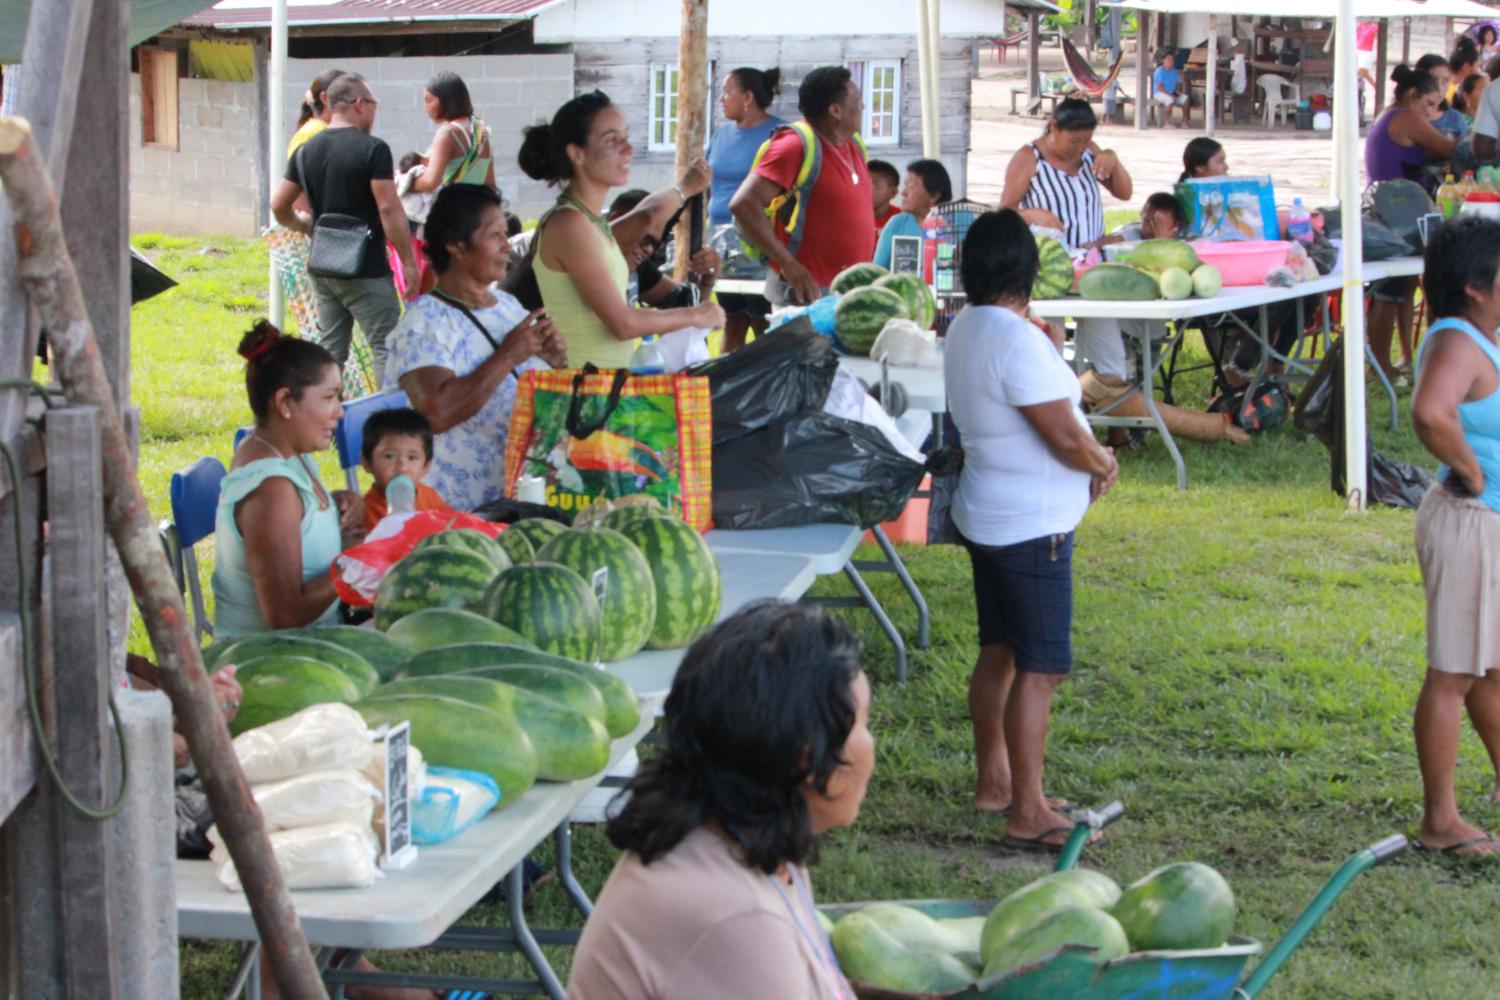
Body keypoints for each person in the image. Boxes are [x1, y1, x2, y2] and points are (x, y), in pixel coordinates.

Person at [567, 602, 873, 999]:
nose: (871, 743)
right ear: (805, 755)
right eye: (865, 724)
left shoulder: (751, 843)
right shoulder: (739, 921)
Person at [943, 210, 1117, 850]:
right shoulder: (1016, 338)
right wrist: (1103, 462)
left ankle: (998, 782)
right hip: (1030, 527)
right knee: (1042, 669)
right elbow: (1064, 433)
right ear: (1027, 270)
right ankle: (1029, 810)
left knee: (1002, 652)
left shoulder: (966, 327)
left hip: (989, 515)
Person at [385, 184, 567, 512]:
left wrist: (554, 362)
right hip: (462, 513)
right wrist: (508, 355)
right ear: (456, 245)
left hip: (521, 497)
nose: (506, 247)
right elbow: (437, 412)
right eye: (494, 235)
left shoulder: (508, 306)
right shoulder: (424, 325)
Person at [1409, 215, 1500, 857]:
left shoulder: (1477, 335)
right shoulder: (1457, 342)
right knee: (1454, 675)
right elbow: (1429, 413)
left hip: (1485, 522)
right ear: (1476, 286)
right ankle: (1441, 821)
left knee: (1490, 670)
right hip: (1469, 521)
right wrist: (1470, 470)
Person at [518, 90, 725, 369]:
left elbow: (645, 213)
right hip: (583, 395)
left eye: (626, 137)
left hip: (604, 390)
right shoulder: (569, 224)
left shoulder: (591, 222)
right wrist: (694, 316)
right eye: (612, 140)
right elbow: (622, 323)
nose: (628, 148)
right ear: (577, 154)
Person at [212, 322, 363, 638]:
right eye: (329, 398)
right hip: (270, 663)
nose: (340, 412)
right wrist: (357, 560)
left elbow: (297, 521)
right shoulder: (271, 489)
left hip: (316, 641)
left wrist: (330, 508)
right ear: (284, 403)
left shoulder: (288, 453)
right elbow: (285, 615)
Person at [270, 73, 417, 372]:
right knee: (386, 347)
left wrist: (302, 224)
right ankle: (386, 417)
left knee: (329, 353)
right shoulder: (373, 149)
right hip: (366, 269)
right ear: (359, 104)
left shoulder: (305, 150)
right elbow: (388, 208)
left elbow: (278, 204)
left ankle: (323, 416)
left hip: (324, 267)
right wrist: (408, 261)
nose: (375, 111)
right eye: (374, 104)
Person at [1000, 98, 1133, 387]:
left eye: (1086, 140)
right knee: (1051, 352)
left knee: (1108, 352)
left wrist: (1111, 157)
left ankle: (1115, 425)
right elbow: (1004, 212)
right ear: (1055, 128)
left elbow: (1124, 193)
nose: (1079, 147)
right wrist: (1030, 213)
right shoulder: (1029, 157)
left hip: (1092, 268)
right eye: (1074, 140)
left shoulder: (1089, 153)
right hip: (1050, 272)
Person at [732, 65, 874, 306]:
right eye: (857, 99)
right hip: (803, 297)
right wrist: (789, 265)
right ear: (836, 110)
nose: (862, 106)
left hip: (846, 297)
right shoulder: (794, 146)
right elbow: (744, 203)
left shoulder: (855, 145)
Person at [1367, 66, 1455, 383]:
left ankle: (1401, 358)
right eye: (1429, 103)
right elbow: (1447, 149)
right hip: (1397, 215)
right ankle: (1378, 366)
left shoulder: (1389, 115)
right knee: (1389, 294)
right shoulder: (1406, 116)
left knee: (1402, 290)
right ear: (1412, 95)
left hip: (1392, 211)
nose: (1432, 112)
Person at [706, 66, 783, 354]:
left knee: (762, 321)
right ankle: (726, 388)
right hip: (720, 244)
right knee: (732, 321)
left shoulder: (778, 135)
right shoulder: (720, 136)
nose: (722, 100)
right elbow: (709, 184)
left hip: (758, 244)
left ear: (748, 97)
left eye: (727, 93)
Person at [606, 189, 720, 309]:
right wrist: (689, 185)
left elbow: (686, 304)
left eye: (655, 244)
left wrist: (709, 278)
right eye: (645, 239)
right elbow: (623, 323)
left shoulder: (638, 266)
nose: (649, 249)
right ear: (615, 220)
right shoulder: (591, 256)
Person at [359, 407, 454, 532]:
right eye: (389, 457)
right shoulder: (366, 512)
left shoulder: (430, 497)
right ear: (367, 463)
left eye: (412, 458)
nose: (402, 468)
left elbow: (453, 526)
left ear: (426, 466)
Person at [407, 71, 495, 193]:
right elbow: (490, 183)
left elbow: (430, 182)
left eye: (428, 100)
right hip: (476, 208)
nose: (425, 108)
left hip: (451, 209)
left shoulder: (447, 133)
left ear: (445, 100)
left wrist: (403, 181)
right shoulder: (482, 131)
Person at [872, 158, 953, 270]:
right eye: (905, 186)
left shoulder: (960, 222)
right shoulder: (896, 224)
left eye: (910, 187)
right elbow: (877, 271)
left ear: (933, 195)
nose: (903, 193)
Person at [1114, 191, 1185, 242]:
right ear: (1141, 215)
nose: (1153, 229)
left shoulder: (1182, 242)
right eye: (1148, 221)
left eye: (1159, 224)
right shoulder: (1131, 236)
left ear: (1175, 227)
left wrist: (1160, 242)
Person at [1152, 51, 1189, 128]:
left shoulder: (1174, 71)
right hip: (1159, 93)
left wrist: (1177, 93)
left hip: (1171, 92)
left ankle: (1184, 122)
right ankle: (1166, 123)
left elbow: (1178, 84)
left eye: (1172, 60)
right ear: (1163, 61)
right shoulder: (1159, 71)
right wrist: (1171, 95)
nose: (1171, 61)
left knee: (1185, 99)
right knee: (1169, 100)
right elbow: (1160, 86)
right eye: (1168, 59)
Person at [868, 158, 901, 238]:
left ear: (893, 193)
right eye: (863, 183)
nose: (866, 190)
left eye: (874, 185)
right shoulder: (850, 219)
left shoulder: (902, 220)